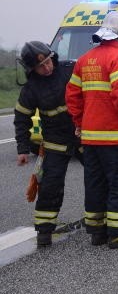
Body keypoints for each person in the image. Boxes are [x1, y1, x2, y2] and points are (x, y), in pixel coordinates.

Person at [65, 11, 118, 249]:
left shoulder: (84, 59)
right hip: (117, 138)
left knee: (95, 184)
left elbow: (72, 96)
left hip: (91, 139)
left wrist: (80, 123)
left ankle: (97, 232)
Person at [14, 41, 81, 247]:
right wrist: (23, 149)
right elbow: (22, 118)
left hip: (83, 134)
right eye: (40, 66)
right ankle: (44, 231)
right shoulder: (31, 89)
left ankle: (103, 221)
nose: (47, 67)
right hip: (55, 142)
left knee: (101, 177)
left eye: (48, 61)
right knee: (50, 186)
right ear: (32, 70)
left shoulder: (70, 69)